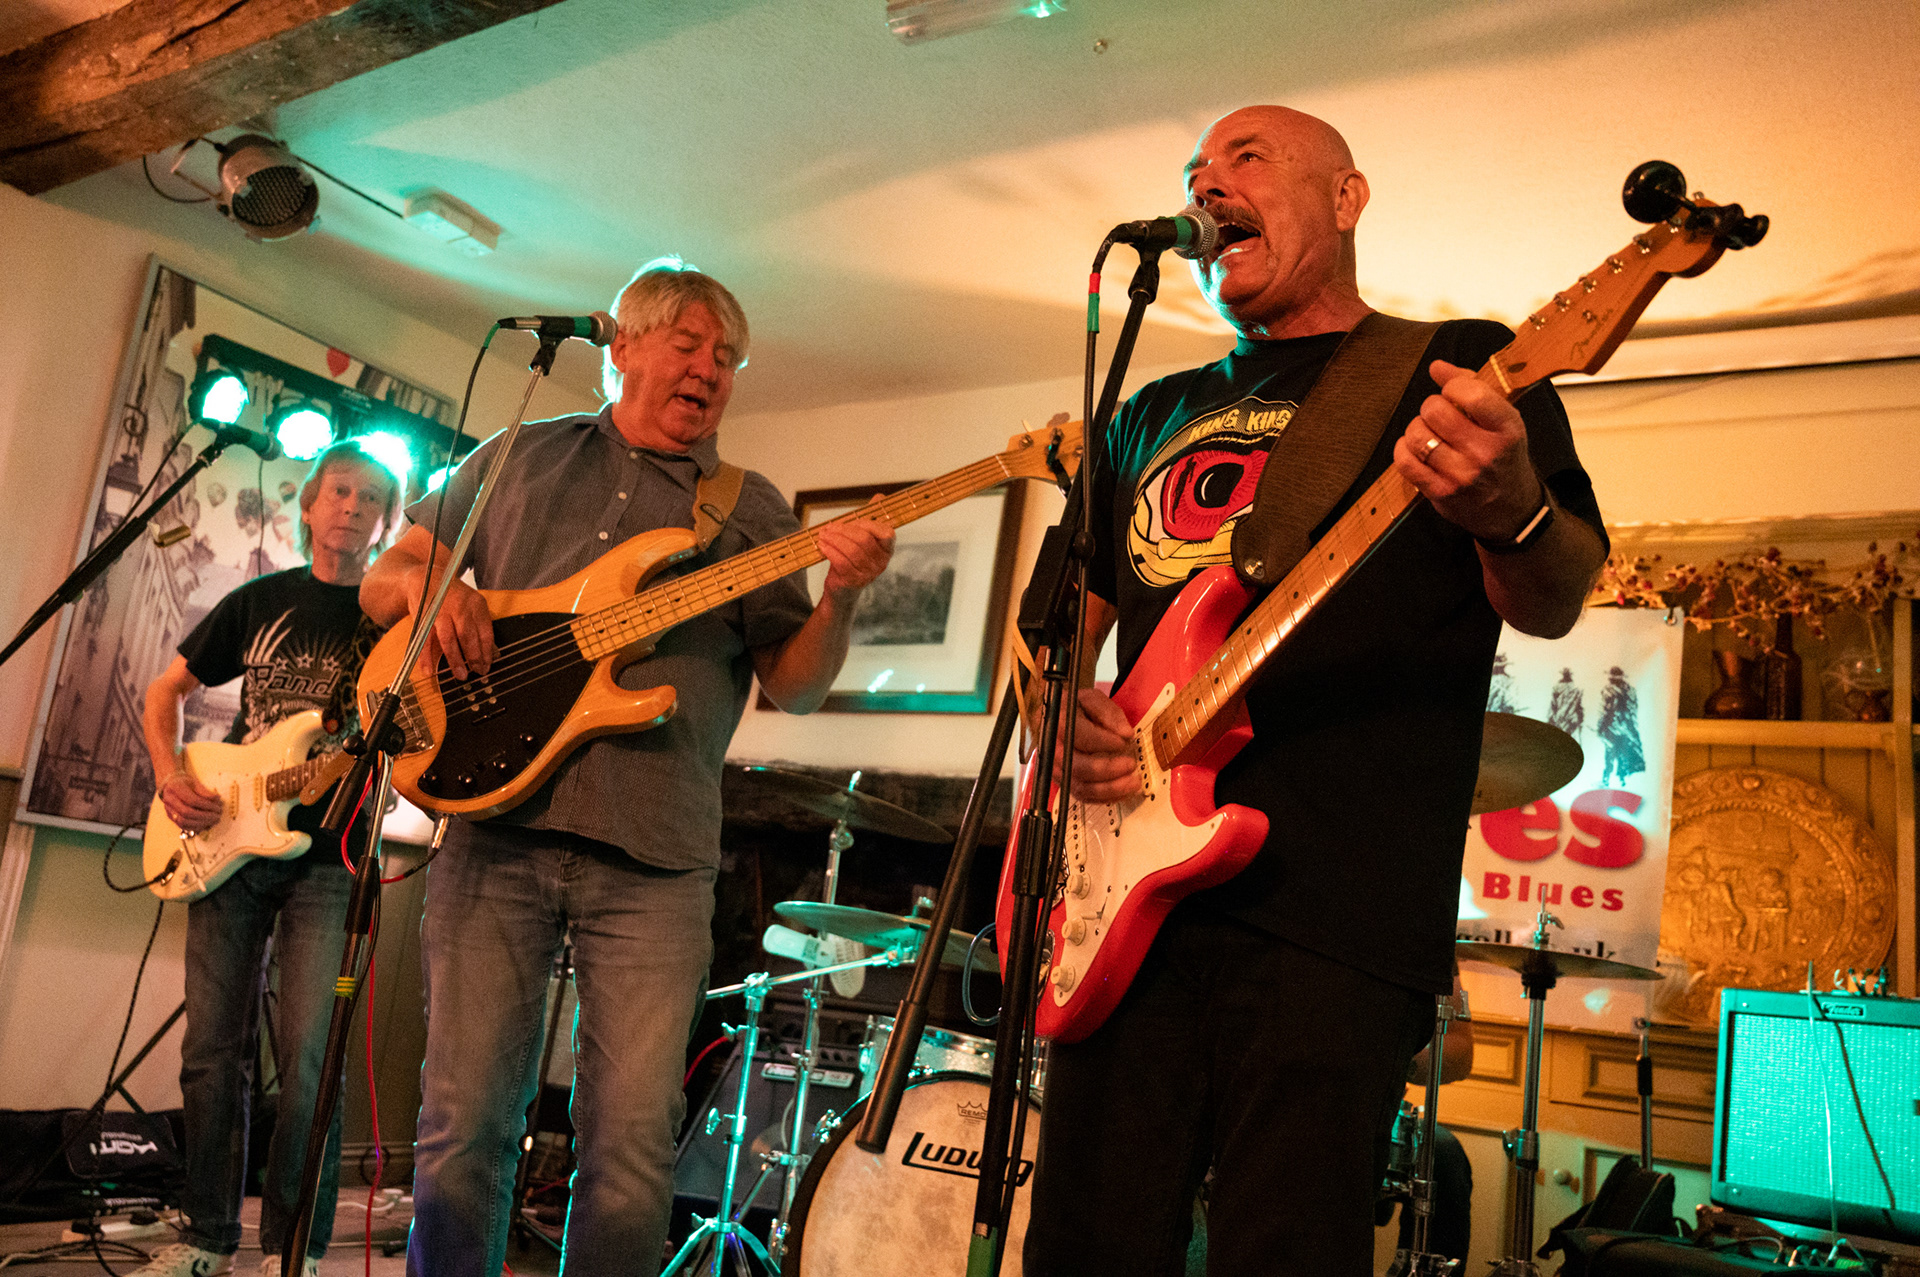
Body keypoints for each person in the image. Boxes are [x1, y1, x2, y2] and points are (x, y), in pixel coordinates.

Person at [1028, 106, 1609, 1275]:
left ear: (1347, 197)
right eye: (1196, 174)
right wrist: (1055, 713)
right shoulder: (1145, 410)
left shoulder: (1457, 364)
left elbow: (1553, 593)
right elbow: (1051, 633)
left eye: (1247, 160)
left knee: (1285, 1246)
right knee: (1086, 1240)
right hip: (1116, 904)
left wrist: (1509, 508)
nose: (1209, 186)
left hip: (1332, 905)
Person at [359, 263, 894, 1275]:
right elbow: (387, 575)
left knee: (633, 1154)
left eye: (726, 356)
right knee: (460, 1126)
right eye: (688, 344)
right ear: (624, 347)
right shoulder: (516, 455)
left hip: (654, 856)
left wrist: (842, 598)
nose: (710, 369)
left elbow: (799, 685)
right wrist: (437, 586)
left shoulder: (751, 509)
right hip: (495, 831)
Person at [138, 441, 401, 1277]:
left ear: (387, 522)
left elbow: (419, 725)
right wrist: (171, 773)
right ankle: (206, 1236)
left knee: (312, 1060)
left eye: (371, 498)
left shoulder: (397, 626)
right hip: (227, 845)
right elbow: (162, 693)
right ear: (310, 506)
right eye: (340, 491)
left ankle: (296, 1249)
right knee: (212, 1050)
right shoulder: (258, 601)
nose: (352, 507)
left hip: (332, 858)